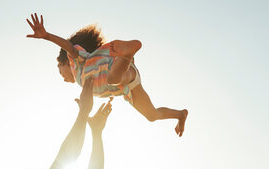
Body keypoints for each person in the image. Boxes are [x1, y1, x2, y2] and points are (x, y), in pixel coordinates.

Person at [26, 13, 188, 137]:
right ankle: (180, 115)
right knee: (152, 115)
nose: (62, 77)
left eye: (59, 69)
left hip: (118, 70)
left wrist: (47, 36)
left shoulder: (77, 62)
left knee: (113, 78)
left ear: (64, 62)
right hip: (128, 83)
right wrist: (84, 108)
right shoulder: (81, 80)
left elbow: (69, 47)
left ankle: (127, 55)